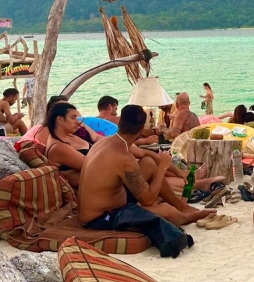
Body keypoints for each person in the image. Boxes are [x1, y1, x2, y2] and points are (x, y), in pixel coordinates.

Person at [78, 104, 216, 256]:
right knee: (165, 210)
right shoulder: (124, 158)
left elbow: (149, 156)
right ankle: (185, 217)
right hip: (100, 217)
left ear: (120, 123)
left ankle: (182, 206)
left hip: (112, 200)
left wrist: (178, 172)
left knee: (149, 164)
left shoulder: (110, 141)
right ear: (140, 131)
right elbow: (149, 200)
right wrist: (162, 169)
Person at [45, 102, 91, 188]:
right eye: (73, 118)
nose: (78, 122)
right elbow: (93, 165)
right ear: (60, 119)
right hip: (90, 189)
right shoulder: (58, 147)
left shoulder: (68, 136)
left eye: (78, 118)